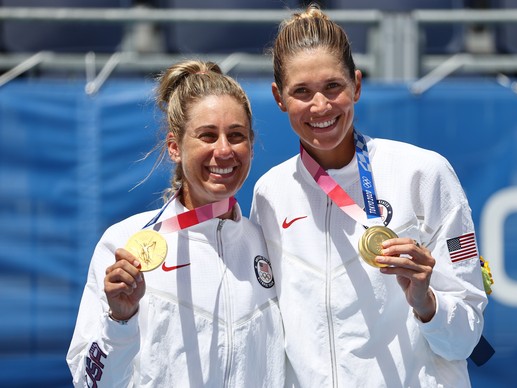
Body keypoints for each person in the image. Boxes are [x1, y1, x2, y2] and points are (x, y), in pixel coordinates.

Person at [250, 4, 488, 387]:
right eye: (302, 92)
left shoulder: (424, 174)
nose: (321, 106)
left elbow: (465, 338)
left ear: (356, 85)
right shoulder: (270, 194)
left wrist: (427, 303)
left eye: (333, 87)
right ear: (279, 98)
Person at [67, 60, 285, 387]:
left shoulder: (269, 243)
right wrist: (120, 320)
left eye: (236, 136)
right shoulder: (125, 245)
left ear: (251, 146)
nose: (224, 150)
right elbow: (89, 382)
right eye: (207, 136)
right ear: (174, 147)